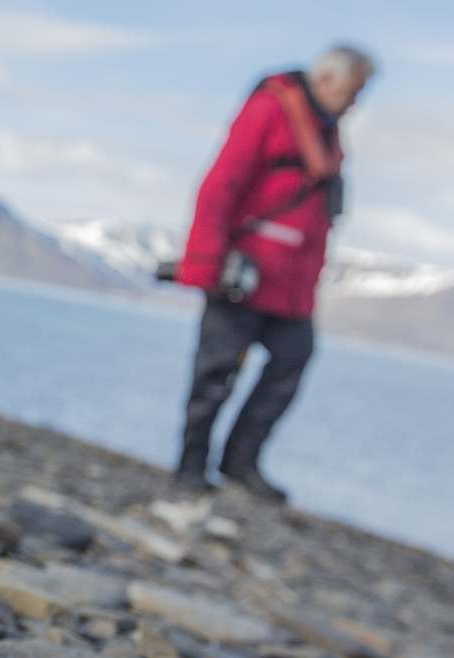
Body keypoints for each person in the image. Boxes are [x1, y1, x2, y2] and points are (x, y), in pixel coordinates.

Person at [171, 45, 374, 502]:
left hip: (290, 287)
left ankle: (240, 462)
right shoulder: (271, 109)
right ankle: (190, 466)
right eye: (353, 91)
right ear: (327, 80)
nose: (356, 102)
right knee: (216, 372)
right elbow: (222, 183)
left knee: (292, 358)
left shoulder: (327, 133)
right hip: (240, 273)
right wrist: (205, 262)